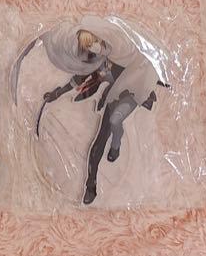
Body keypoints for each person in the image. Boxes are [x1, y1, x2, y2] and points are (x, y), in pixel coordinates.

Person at [26, 16, 166, 205]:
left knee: (115, 119)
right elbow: (77, 80)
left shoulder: (120, 49)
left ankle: (116, 143)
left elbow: (141, 61)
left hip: (132, 89)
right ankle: (90, 185)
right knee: (100, 139)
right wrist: (56, 93)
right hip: (115, 95)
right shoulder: (100, 63)